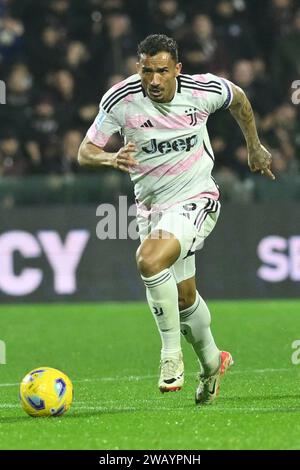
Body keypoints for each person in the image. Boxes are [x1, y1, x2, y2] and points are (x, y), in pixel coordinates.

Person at [78, 34, 275, 405]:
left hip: (197, 197)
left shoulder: (202, 90)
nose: (153, 80)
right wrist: (109, 158)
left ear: (177, 70)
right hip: (151, 208)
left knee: (149, 260)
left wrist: (254, 146)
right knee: (184, 300)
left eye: (162, 72)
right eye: (147, 71)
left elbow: (240, 100)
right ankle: (213, 364)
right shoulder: (120, 100)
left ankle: (170, 354)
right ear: (139, 68)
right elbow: (85, 152)